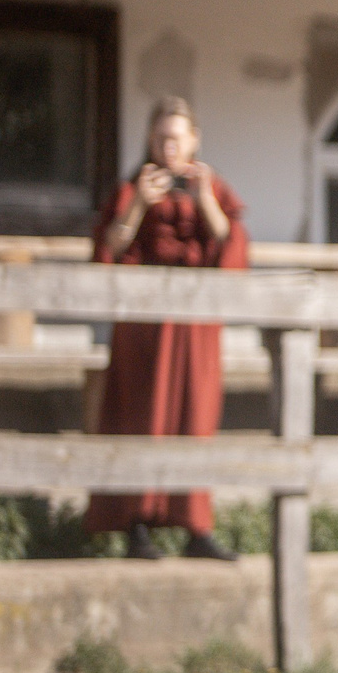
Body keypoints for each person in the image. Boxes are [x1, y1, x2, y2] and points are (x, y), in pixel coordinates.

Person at [86, 96, 250, 561]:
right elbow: (109, 249)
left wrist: (205, 200)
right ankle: (135, 524)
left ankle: (196, 528)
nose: (169, 147)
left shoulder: (213, 190)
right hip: (144, 326)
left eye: (176, 138)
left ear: (194, 140)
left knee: (195, 417)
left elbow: (233, 250)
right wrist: (139, 203)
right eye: (160, 139)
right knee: (139, 417)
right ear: (150, 141)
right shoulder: (131, 189)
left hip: (195, 327)